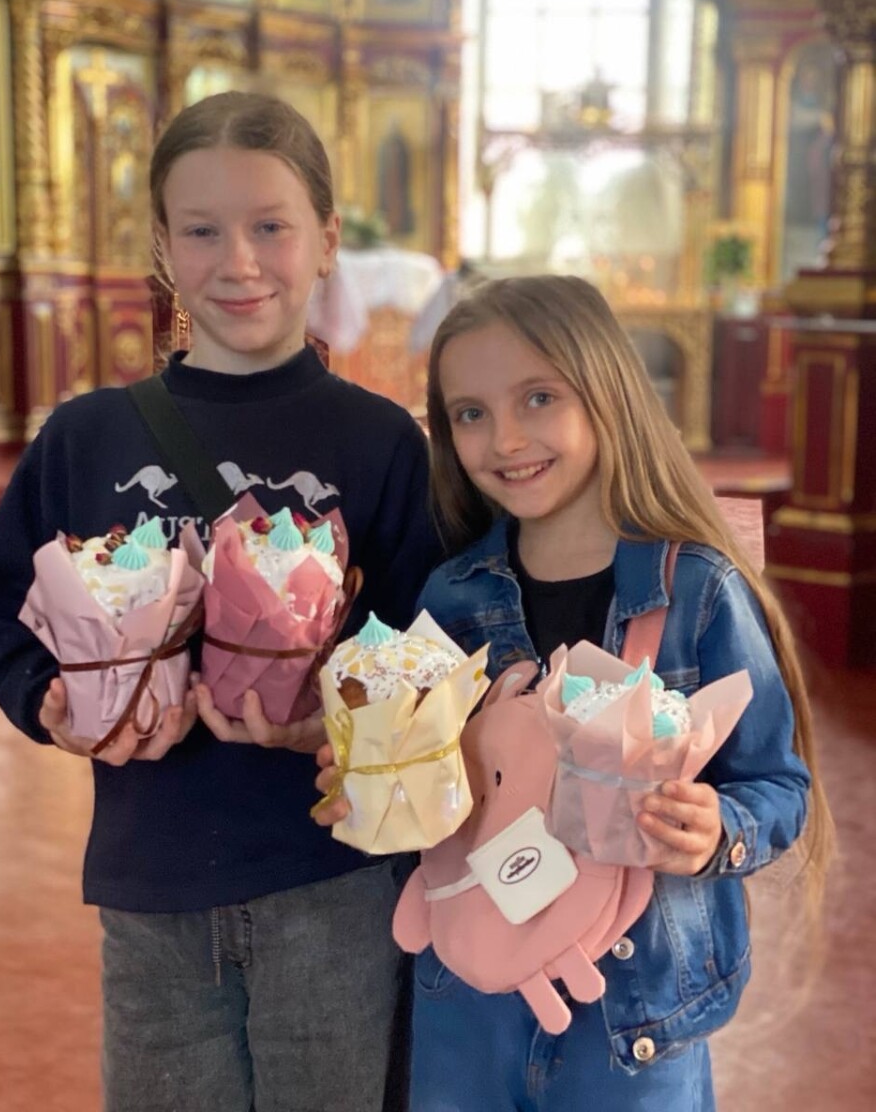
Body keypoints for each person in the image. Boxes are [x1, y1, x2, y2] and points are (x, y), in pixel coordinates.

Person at [0, 90, 440, 1112]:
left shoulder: (379, 443)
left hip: (334, 883)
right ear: (161, 246)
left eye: (271, 226)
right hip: (151, 888)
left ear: (326, 240)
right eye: (201, 231)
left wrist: (343, 721)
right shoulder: (88, 438)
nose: (238, 261)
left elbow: (428, 641)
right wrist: (46, 699)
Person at [315, 274, 833, 1111]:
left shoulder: (698, 591)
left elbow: (778, 786)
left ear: (606, 391)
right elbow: (421, 780)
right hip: (467, 1006)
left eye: (539, 397)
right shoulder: (451, 598)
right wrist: (374, 782)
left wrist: (717, 829)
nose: (505, 438)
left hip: (633, 1025)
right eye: (470, 413)